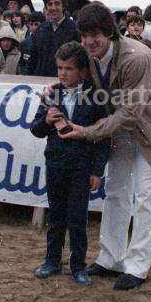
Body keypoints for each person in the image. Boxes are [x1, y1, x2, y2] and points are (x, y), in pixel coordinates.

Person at [58, 2, 151, 291]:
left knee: (145, 197)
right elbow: (80, 85)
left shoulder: (136, 57)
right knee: (115, 190)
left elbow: (130, 113)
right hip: (124, 128)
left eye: (95, 34)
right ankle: (110, 258)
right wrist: (54, 95)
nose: (89, 41)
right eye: (85, 35)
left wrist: (87, 132)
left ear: (110, 32)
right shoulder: (90, 54)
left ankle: (137, 267)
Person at [31, 41, 110, 285]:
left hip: (81, 166)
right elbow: (36, 130)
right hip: (55, 164)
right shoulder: (50, 95)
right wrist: (46, 119)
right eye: (60, 68)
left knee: (77, 219)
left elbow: (103, 137)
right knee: (56, 217)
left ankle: (78, 266)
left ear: (83, 71)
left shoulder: (97, 98)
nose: (63, 73)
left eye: (69, 69)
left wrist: (97, 171)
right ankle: (52, 261)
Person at [27, 0, 79, 77]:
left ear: (63, 6)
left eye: (57, 3)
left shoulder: (74, 29)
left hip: (64, 82)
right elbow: (33, 59)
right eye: (50, 4)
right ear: (46, 7)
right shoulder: (41, 29)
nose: (53, 7)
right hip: (40, 82)